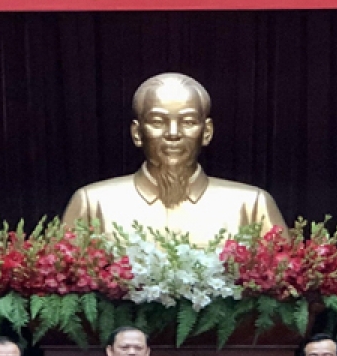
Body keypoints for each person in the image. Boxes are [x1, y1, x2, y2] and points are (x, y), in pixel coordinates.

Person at [61, 73, 286, 245]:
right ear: (137, 133)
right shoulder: (93, 203)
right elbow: (61, 281)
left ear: (207, 132)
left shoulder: (251, 205)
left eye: (188, 122)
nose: (173, 133)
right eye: (158, 121)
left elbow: (285, 283)